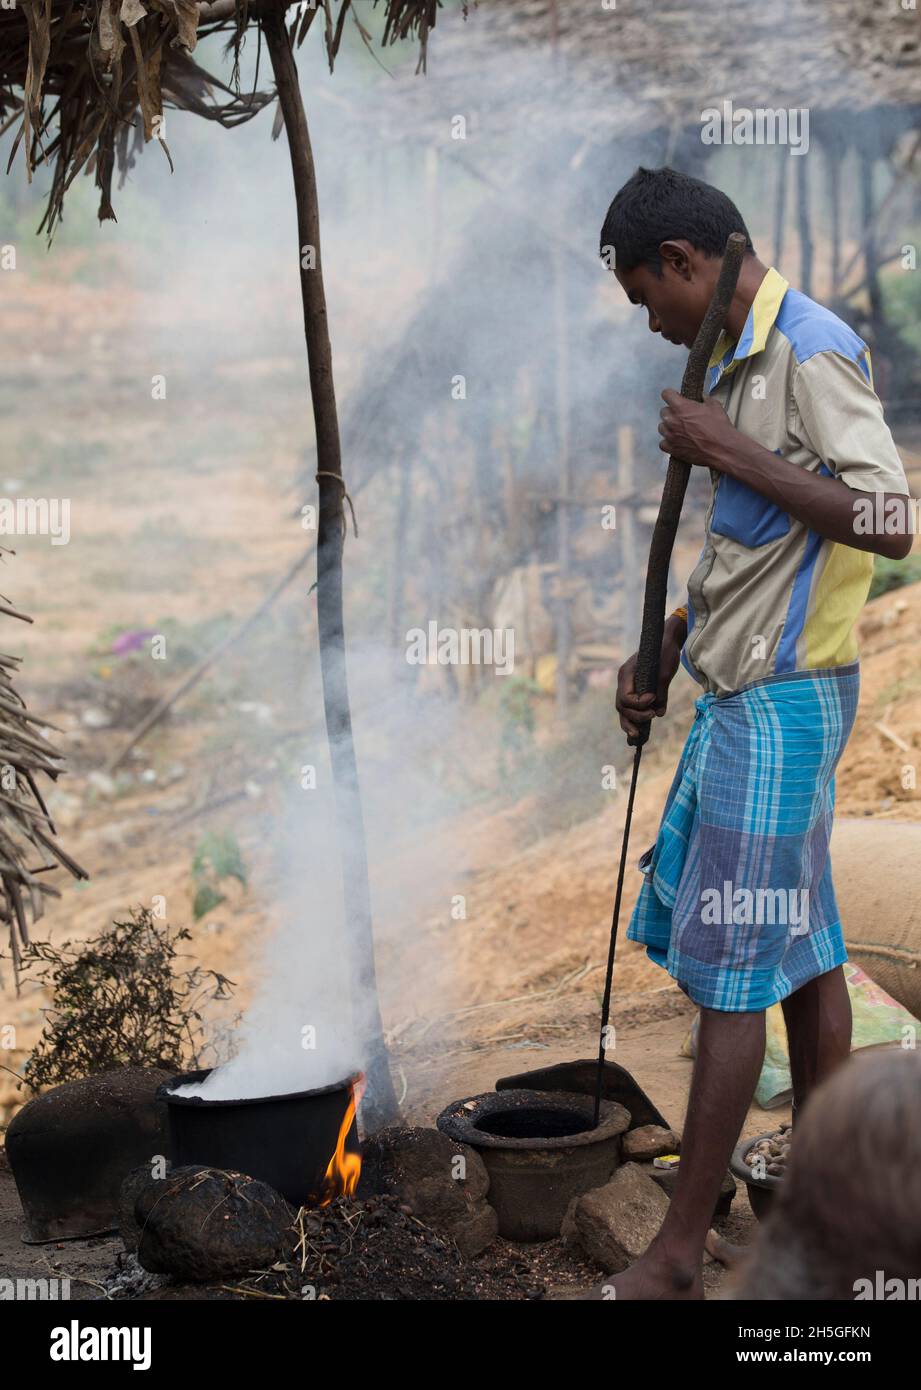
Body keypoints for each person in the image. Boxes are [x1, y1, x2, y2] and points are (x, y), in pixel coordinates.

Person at [600, 166, 912, 1299]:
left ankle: (679, 1252)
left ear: (688, 262)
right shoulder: (736, 361)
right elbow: (756, 546)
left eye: (649, 298)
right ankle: (838, 1219)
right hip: (751, 695)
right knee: (804, 951)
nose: (651, 323)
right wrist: (672, 639)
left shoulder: (813, 347)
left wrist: (725, 449)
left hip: (785, 703)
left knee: (733, 967)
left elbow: (888, 518)